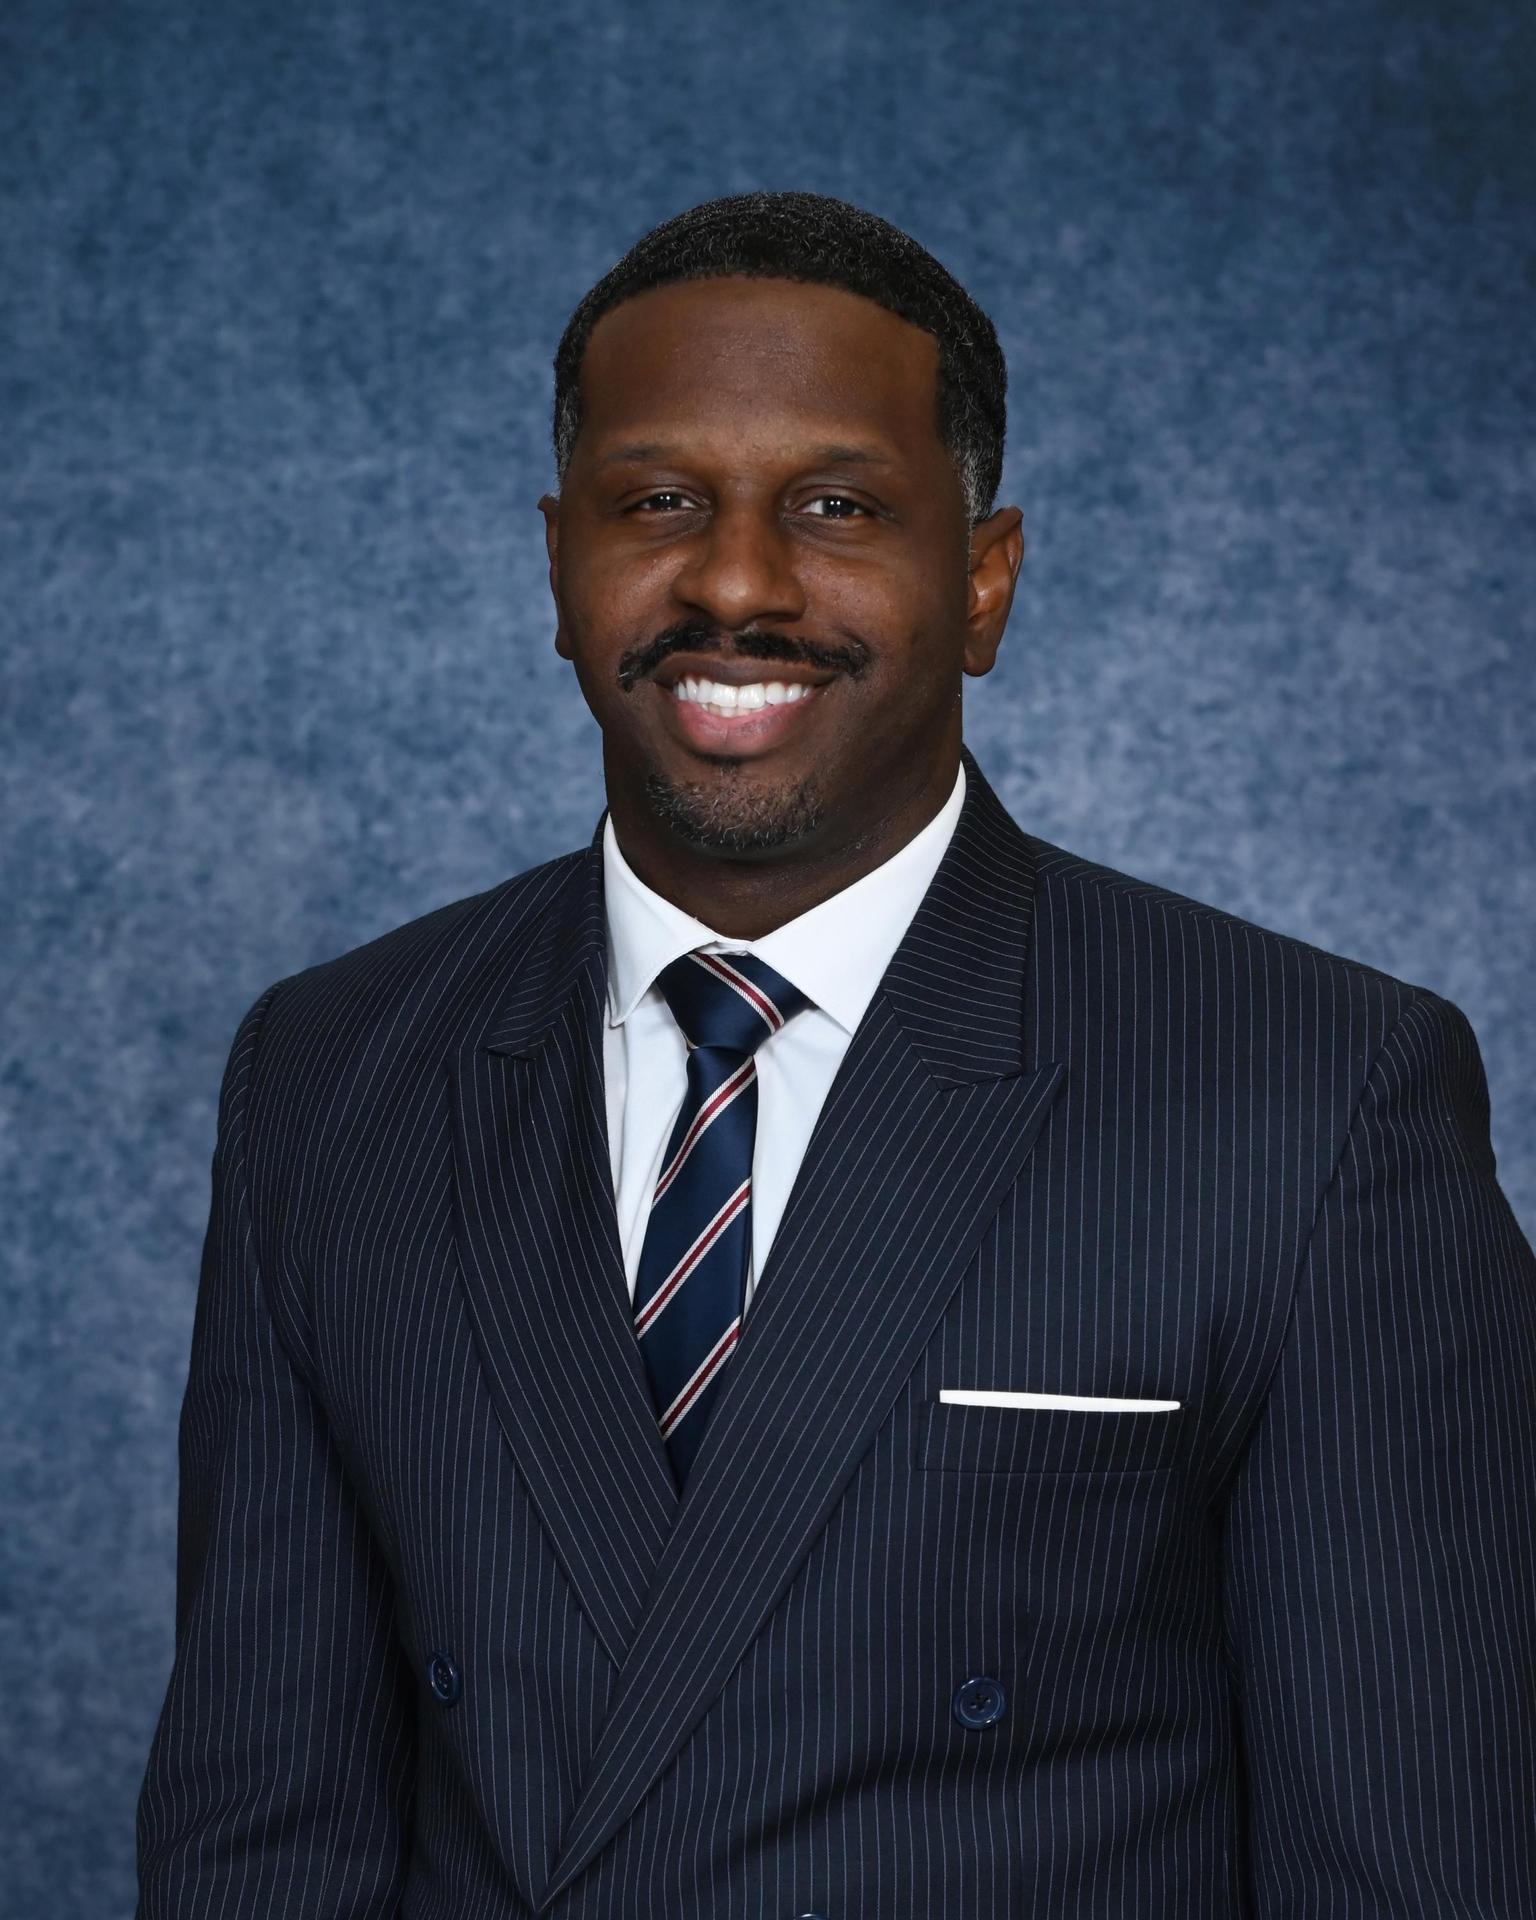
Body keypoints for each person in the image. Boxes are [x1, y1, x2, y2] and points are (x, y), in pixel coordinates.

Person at [135, 190, 1536, 1918]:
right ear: (557, 566)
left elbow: (1419, 1872)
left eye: (839, 507)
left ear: (985, 583)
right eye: (659, 503)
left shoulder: (1313, 1097)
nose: (735, 580)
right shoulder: (331, 1074)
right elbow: (260, 1841)